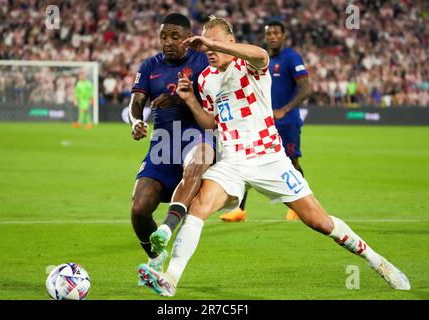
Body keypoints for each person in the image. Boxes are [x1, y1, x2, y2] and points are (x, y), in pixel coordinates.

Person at [139, 16, 410, 297]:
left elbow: (261, 54)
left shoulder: (251, 65)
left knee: (321, 222)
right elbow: (212, 122)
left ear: (231, 42)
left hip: (269, 159)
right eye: (206, 45)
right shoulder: (206, 78)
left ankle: (379, 263)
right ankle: (170, 277)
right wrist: (191, 100)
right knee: (199, 208)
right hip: (231, 160)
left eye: (216, 43)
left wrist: (209, 41)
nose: (209, 50)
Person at [129, 13, 214, 276]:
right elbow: (136, 104)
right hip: (162, 144)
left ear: (188, 37)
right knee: (139, 209)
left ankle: (167, 226)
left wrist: (177, 100)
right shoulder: (149, 66)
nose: (168, 42)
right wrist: (135, 122)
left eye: (175, 36)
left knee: (198, 159)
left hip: (195, 136)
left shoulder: (203, 61)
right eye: (164, 36)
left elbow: (212, 99)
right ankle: (156, 258)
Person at [220, 20, 311, 222]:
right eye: (269, 33)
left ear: (284, 36)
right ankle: (239, 209)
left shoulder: (291, 57)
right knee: (248, 159)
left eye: (277, 33)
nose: (272, 37)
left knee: (292, 161)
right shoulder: (257, 58)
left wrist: (284, 110)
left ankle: (300, 204)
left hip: (286, 121)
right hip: (260, 122)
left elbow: (306, 88)